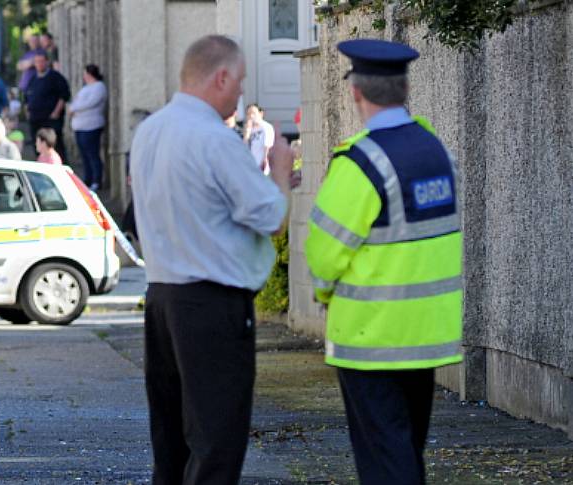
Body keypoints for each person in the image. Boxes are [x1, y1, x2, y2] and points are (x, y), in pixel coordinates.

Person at [130, 35, 293, 484]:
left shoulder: (149, 131)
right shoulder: (214, 139)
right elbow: (273, 216)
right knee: (217, 442)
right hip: (211, 304)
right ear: (220, 77)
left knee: (171, 446)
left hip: (162, 298)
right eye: (239, 82)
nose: (241, 95)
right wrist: (279, 172)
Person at [304, 39, 462, 485]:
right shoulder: (437, 153)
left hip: (371, 338)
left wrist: (322, 293)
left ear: (356, 92)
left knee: (385, 460)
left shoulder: (359, 163)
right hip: (428, 334)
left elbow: (324, 253)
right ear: (404, 89)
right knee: (406, 450)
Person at [25, 50, 70, 163]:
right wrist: (28, 111)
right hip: (35, 119)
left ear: (46, 62)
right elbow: (26, 96)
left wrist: (56, 112)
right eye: (36, 62)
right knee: (38, 148)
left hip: (50, 121)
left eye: (41, 61)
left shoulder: (55, 77)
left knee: (56, 147)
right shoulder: (33, 79)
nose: (39, 64)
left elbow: (64, 95)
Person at [70, 64, 107, 191]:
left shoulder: (99, 87)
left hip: (91, 126)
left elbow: (90, 103)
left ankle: (97, 180)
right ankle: (88, 178)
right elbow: (76, 101)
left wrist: (75, 108)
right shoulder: (86, 88)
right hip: (80, 126)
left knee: (92, 154)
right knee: (84, 155)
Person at [244, 103, 275, 173]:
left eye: (253, 113)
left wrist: (265, 160)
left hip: (263, 164)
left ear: (261, 113)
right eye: (248, 114)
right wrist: (247, 132)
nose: (251, 116)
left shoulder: (266, 126)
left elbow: (268, 145)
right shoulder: (249, 129)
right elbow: (244, 147)